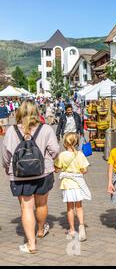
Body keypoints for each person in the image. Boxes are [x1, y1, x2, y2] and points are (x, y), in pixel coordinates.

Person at [1, 100, 59, 254]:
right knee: (41, 204)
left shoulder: (11, 131)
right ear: (36, 112)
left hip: (19, 175)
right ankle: (40, 230)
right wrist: (49, 160)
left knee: (26, 207)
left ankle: (31, 244)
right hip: (43, 173)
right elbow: (55, 150)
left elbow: (6, 155)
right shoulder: (46, 129)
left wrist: (7, 168)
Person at [54, 133, 91, 241]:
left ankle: (72, 229)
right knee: (79, 207)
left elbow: (56, 169)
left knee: (70, 208)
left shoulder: (62, 155)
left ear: (65, 143)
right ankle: (81, 225)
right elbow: (85, 170)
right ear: (76, 143)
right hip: (78, 184)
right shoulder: (80, 154)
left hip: (67, 184)